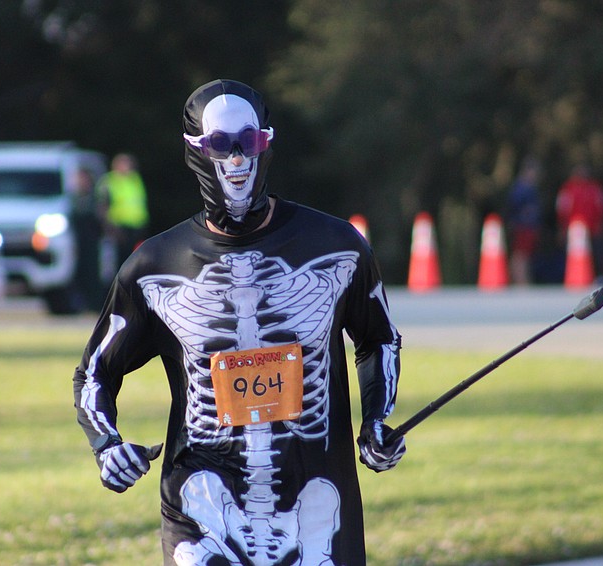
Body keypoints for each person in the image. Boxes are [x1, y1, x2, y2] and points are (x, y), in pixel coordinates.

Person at [72, 79, 406, 565]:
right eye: (220, 145)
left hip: (316, 502)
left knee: (320, 503)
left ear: (265, 143)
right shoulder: (154, 267)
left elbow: (379, 339)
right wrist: (107, 444)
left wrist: (377, 421)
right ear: (195, 152)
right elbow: (96, 372)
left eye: (248, 143)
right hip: (203, 506)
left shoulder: (337, 248)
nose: (236, 160)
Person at [95, 152, 150, 281]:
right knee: (118, 266)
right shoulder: (109, 182)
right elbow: (102, 207)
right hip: (118, 231)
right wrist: (110, 228)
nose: (128, 166)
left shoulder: (135, 179)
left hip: (136, 229)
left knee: (136, 264)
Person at [555, 164, 603, 281]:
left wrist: (602, 223)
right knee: (574, 253)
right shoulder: (568, 189)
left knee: (598, 252)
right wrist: (562, 228)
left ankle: (600, 276)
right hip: (575, 230)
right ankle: (574, 276)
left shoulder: (595, 188)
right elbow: (562, 209)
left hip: (594, 227)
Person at [68, 166, 104, 311]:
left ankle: (95, 305)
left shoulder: (94, 198)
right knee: (78, 275)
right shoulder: (73, 199)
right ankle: (80, 305)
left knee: (93, 275)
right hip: (77, 244)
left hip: (92, 243)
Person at [505, 156, 543, 285]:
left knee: (523, 255)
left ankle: (520, 279)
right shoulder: (522, 188)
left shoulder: (528, 188)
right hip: (523, 227)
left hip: (527, 227)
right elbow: (514, 207)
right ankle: (521, 280)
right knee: (520, 256)